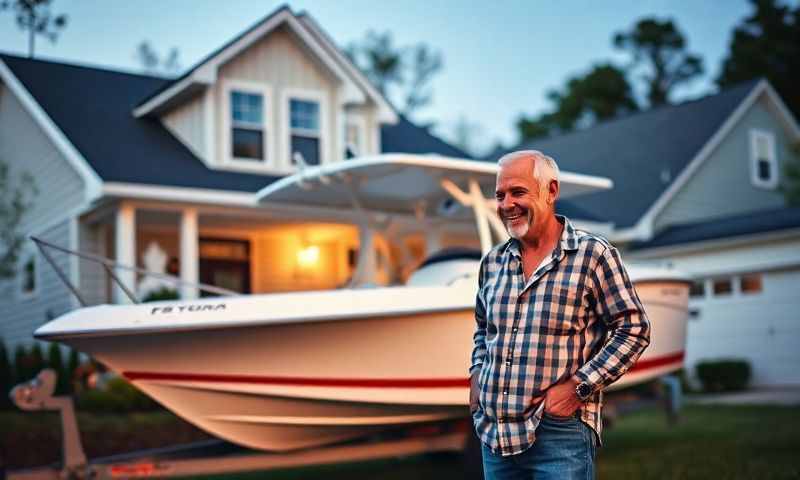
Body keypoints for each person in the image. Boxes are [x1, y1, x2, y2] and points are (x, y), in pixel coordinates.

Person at [469, 150, 651, 479]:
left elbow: (634, 328)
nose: (507, 204)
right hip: (494, 436)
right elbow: (484, 329)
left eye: (518, 192)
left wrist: (579, 387)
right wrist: (477, 378)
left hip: (559, 432)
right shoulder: (492, 262)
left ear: (551, 191)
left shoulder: (593, 255)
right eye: (500, 195)